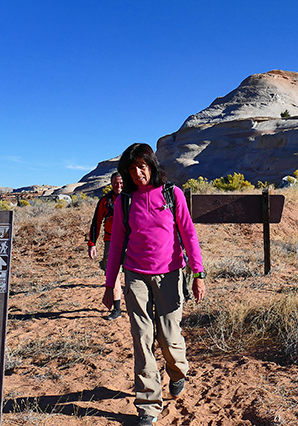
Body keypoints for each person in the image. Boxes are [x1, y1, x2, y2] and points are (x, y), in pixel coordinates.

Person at [102, 143, 206, 426]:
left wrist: (198, 274)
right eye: (132, 168)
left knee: (170, 337)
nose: (137, 173)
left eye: (142, 166)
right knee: (142, 338)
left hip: (171, 274)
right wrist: (110, 284)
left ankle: (177, 371)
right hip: (135, 275)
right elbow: (117, 245)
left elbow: (189, 234)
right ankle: (148, 405)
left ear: (151, 166)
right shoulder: (125, 201)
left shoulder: (172, 195)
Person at [88, 172, 124, 320]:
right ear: (111, 184)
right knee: (113, 275)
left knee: (132, 276)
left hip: (130, 241)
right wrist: (92, 244)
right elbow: (96, 222)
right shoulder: (105, 201)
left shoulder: (131, 198)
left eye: (121, 183)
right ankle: (117, 310)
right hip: (111, 242)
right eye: (115, 183)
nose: (119, 186)